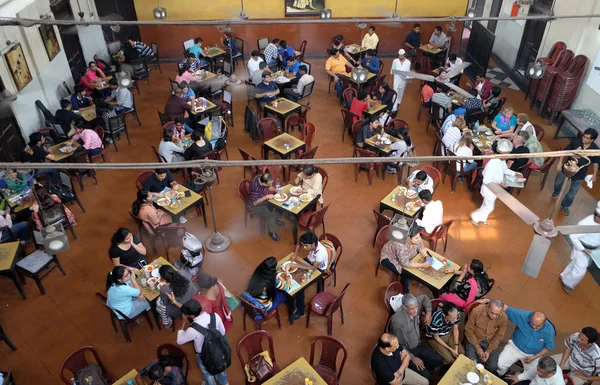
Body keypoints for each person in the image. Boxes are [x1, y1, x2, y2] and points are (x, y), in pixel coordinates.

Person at [495, 303, 555, 382]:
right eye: (532, 324)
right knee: (500, 364)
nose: (534, 327)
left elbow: (548, 347)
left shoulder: (549, 330)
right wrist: (487, 300)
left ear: (544, 323)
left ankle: (518, 375)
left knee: (535, 374)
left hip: (532, 355)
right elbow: (505, 308)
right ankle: (500, 376)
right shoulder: (523, 315)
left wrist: (534, 357)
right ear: (530, 318)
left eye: (537, 326)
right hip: (515, 347)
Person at [176, 299, 230, 385]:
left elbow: (179, 341)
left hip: (203, 354)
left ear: (192, 315)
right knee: (221, 366)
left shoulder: (192, 329)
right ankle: (224, 382)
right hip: (218, 348)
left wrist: (183, 323)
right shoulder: (215, 316)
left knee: (207, 373)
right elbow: (223, 332)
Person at [390, 294, 443, 380]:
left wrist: (428, 313)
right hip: (408, 351)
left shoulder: (414, 304)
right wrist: (412, 358)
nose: (415, 311)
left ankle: (424, 368)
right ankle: (418, 371)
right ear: (404, 307)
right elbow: (398, 346)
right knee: (427, 377)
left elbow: (425, 297)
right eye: (412, 309)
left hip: (419, 343)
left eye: (416, 307)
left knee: (438, 360)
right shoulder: (398, 323)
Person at [470, 139, 519, 226]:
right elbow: (486, 180)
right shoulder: (493, 163)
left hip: (494, 189)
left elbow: (505, 170)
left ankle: (482, 218)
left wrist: (515, 174)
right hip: (489, 189)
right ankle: (475, 216)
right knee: (489, 207)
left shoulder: (501, 161)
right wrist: (500, 185)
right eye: (507, 154)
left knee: (486, 205)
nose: (508, 156)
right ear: (502, 153)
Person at [552, 128, 600, 216]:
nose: (583, 139)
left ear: (592, 140)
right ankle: (556, 191)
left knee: (573, 192)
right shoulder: (576, 142)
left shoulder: (594, 149)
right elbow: (565, 152)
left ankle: (565, 205)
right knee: (558, 182)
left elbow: (596, 162)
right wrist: (559, 163)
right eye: (583, 136)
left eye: (587, 138)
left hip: (580, 173)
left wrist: (594, 175)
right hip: (567, 167)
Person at [246, 256, 306, 323]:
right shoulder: (272, 282)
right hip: (265, 307)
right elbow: (289, 287)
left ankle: (293, 305)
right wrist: (286, 272)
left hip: (254, 298)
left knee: (280, 289)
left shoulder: (257, 272)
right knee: (290, 292)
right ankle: (298, 310)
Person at [559, 202, 600, 293]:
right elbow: (573, 235)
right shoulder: (586, 223)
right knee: (581, 269)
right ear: (596, 216)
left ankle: (564, 275)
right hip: (582, 248)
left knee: (575, 264)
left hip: (593, 251)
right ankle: (567, 283)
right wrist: (582, 248)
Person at [379, 227, 432, 293]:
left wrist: (426, 256)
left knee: (416, 264)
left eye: (419, 237)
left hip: (403, 256)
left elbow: (421, 246)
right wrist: (423, 265)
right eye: (416, 238)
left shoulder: (415, 236)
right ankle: (404, 293)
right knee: (406, 273)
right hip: (389, 258)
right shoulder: (400, 246)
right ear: (409, 238)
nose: (419, 239)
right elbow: (405, 263)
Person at [464, 298, 508, 372]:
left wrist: (488, 351)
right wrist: (477, 348)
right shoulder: (476, 311)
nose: (494, 316)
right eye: (492, 313)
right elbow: (468, 330)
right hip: (474, 338)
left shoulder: (503, 317)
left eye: (497, 314)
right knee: (471, 363)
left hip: (490, 341)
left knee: (493, 367)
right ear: (487, 307)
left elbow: (499, 336)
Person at [248, 173, 283, 241]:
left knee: (279, 205)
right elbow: (255, 203)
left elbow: (269, 187)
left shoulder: (262, 177)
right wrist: (266, 197)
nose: (271, 185)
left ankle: (276, 219)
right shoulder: (254, 187)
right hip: (255, 206)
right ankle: (272, 232)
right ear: (263, 183)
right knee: (271, 215)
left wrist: (276, 190)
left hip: (265, 200)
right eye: (269, 184)